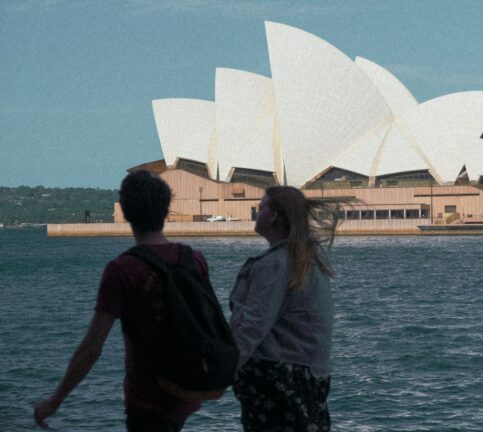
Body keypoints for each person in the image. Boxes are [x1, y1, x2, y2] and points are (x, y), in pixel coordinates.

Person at [34, 170, 211, 431]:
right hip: (188, 390)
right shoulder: (195, 260)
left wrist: (54, 401)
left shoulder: (123, 269)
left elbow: (92, 348)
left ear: (126, 213)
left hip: (146, 400)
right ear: (165, 210)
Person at [229, 186, 339, 432]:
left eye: (261, 208)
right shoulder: (309, 260)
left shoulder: (275, 265)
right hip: (310, 378)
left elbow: (252, 326)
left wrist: (218, 371)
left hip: (276, 381)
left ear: (273, 216)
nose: (256, 213)